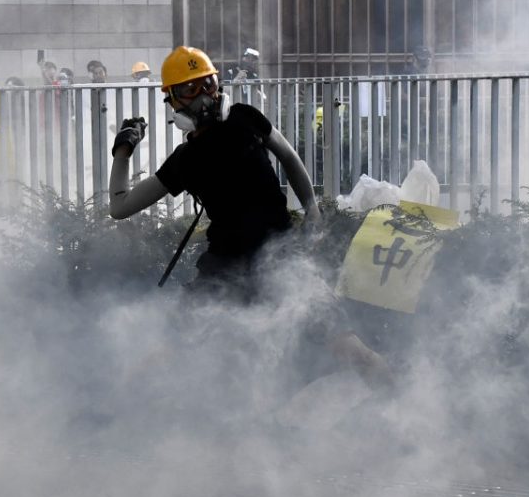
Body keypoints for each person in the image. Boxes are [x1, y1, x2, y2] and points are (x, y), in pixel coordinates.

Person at [108, 45, 390, 386]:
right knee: (173, 347)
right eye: (189, 89)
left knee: (345, 343)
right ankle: (122, 409)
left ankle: (400, 403)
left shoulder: (241, 120)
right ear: (173, 100)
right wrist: (123, 150)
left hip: (273, 258)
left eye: (208, 83)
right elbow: (120, 208)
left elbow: (289, 157)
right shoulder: (189, 157)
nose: (204, 96)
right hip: (241, 264)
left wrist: (312, 207)